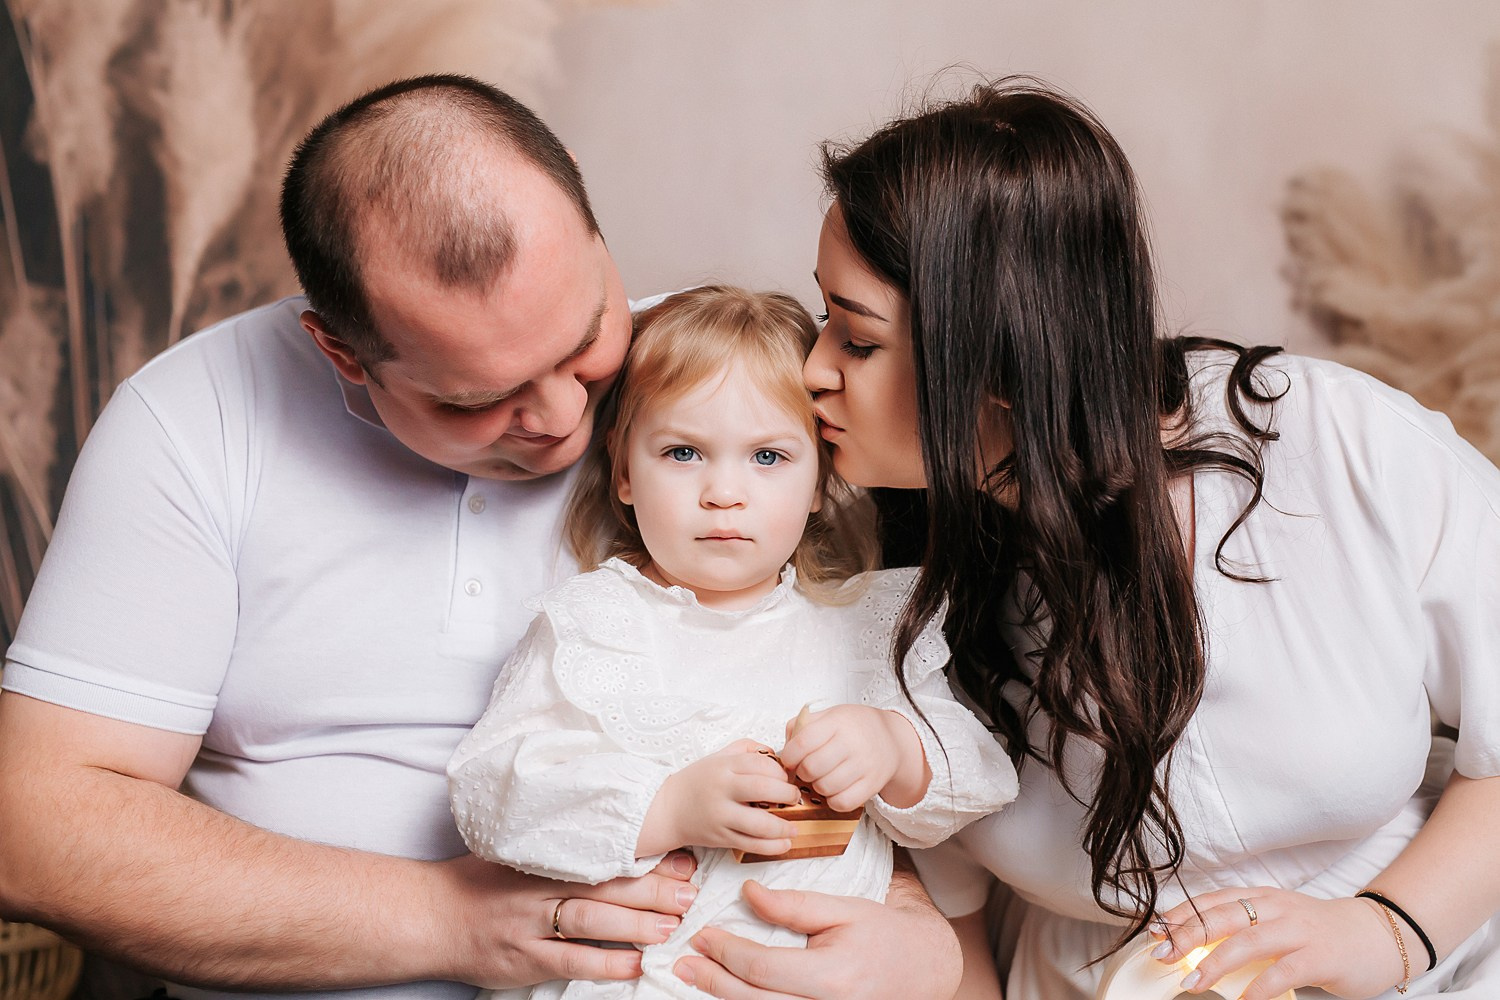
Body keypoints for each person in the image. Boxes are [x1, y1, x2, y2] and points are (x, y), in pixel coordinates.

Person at [0, 76, 960, 1000]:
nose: (557, 419)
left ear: (585, 213)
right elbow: (34, 827)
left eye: (581, 342)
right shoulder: (197, 421)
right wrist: (443, 923)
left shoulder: (706, 396)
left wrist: (924, 937)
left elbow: (841, 684)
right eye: (477, 398)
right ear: (341, 348)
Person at [796, 77, 1500, 1000]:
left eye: (856, 339)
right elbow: (946, 919)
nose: (812, 371)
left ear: (1003, 358)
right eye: (824, 322)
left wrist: (1385, 935)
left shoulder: (1330, 441)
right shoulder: (874, 558)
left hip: (1436, 948)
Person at [447, 286, 1017, 1000]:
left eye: (768, 458)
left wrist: (893, 746)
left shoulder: (858, 627)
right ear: (625, 472)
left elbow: (982, 778)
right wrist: (668, 806)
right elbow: (492, 793)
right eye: (684, 452)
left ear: (818, 483)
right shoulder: (595, 624)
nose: (724, 492)